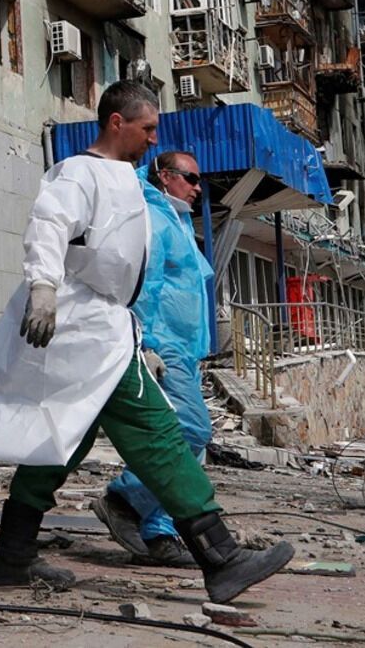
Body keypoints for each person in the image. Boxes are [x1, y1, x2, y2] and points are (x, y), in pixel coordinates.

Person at [0, 81, 292, 602]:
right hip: (86, 329)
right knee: (161, 434)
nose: (152, 138)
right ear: (117, 123)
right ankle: (221, 557)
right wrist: (44, 287)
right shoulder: (79, 173)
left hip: (105, 328)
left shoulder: (128, 182)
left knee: (59, 444)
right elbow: (48, 224)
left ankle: (12, 557)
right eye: (147, 128)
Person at [91, 150, 216, 567]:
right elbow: (147, 284)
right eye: (192, 178)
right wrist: (146, 343)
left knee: (186, 450)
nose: (199, 187)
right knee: (192, 431)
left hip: (188, 350)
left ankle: (159, 535)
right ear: (165, 176)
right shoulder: (155, 220)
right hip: (165, 347)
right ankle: (124, 498)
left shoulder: (179, 222)